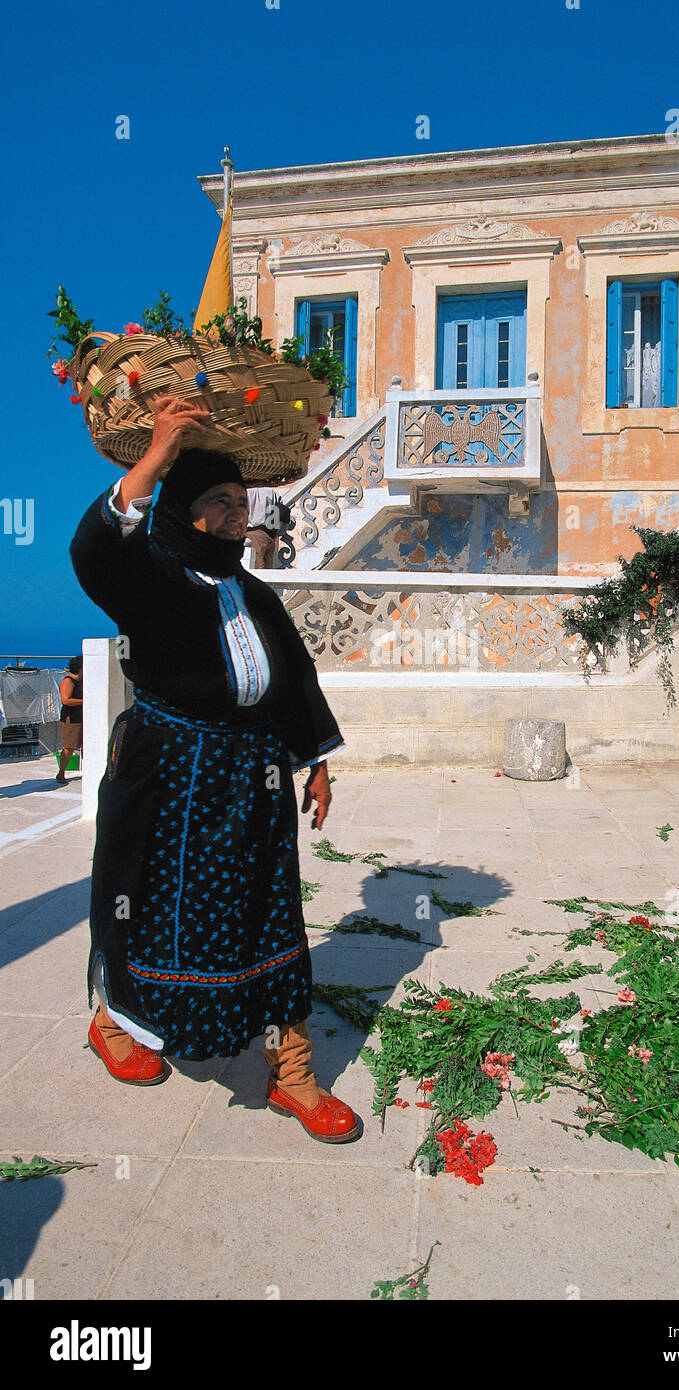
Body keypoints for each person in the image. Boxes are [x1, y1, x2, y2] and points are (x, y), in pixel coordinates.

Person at [68, 394, 360, 1143]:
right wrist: (161, 450)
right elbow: (95, 553)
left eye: (240, 500)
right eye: (217, 502)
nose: (235, 513)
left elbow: (291, 680)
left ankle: (291, 1073)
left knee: (271, 915)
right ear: (182, 509)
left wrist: (314, 763)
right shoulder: (152, 579)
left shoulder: (252, 592)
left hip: (252, 780)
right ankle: (116, 1023)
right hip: (170, 777)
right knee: (152, 910)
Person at [56, 655, 83, 784]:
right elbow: (65, 700)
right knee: (70, 747)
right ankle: (61, 773)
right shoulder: (68, 681)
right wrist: (85, 701)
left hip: (82, 717)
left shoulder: (83, 681)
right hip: (71, 719)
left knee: (85, 746)